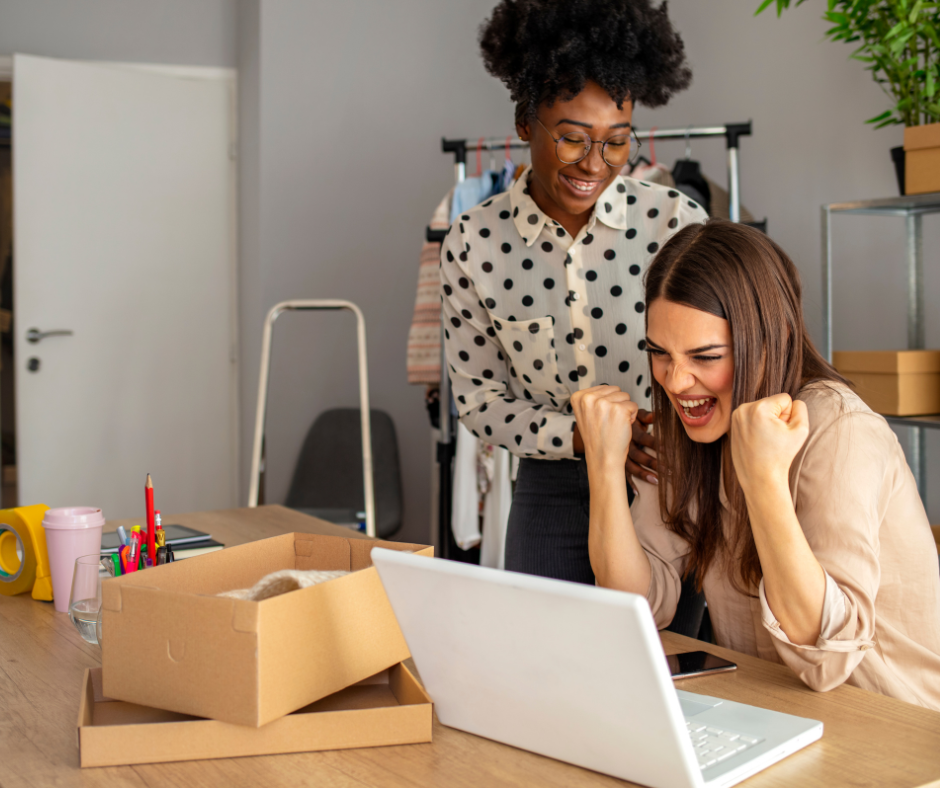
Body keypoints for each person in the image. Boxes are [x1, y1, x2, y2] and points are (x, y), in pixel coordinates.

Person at [572, 219, 940, 710]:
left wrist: (763, 478)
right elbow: (636, 605)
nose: (676, 382)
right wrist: (603, 467)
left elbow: (825, 658)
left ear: (770, 337)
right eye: (660, 353)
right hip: (771, 712)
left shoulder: (839, 428)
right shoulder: (694, 426)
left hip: (888, 725)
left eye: (706, 356)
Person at [441, 0, 707, 585]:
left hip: (665, 478)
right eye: (571, 139)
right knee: (545, 659)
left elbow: (718, 358)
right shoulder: (474, 242)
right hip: (551, 487)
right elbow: (479, 399)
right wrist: (585, 437)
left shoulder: (676, 223)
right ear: (522, 125)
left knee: (665, 662)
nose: (595, 164)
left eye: (617, 142)